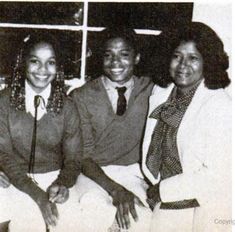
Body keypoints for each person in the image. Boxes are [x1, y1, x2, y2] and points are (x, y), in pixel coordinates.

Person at [142, 22, 231, 232]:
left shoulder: (221, 105)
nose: (182, 65)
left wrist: (161, 191)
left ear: (207, 62)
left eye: (193, 58)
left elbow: (217, 176)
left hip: (203, 208)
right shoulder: (161, 92)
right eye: (177, 56)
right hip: (165, 204)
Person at [72, 27, 154, 232]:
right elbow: (83, 156)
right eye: (108, 55)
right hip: (92, 174)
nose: (115, 62)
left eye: (124, 54)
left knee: (141, 220)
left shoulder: (152, 89)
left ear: (137, 58)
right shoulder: (81, 96)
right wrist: (115, 190)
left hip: (132, 173)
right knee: (95, 212)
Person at [0, 32, 83, 232]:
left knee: (68, 223)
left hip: (54, 179)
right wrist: (39, 197)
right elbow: (4, 155)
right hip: (14, 178)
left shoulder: (68, 106)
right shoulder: (3, 102)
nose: (43, 70)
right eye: (35, 61)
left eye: (51, 62)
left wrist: (63, 183)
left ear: (58, 67)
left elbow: (74, 159)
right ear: (23, 64)